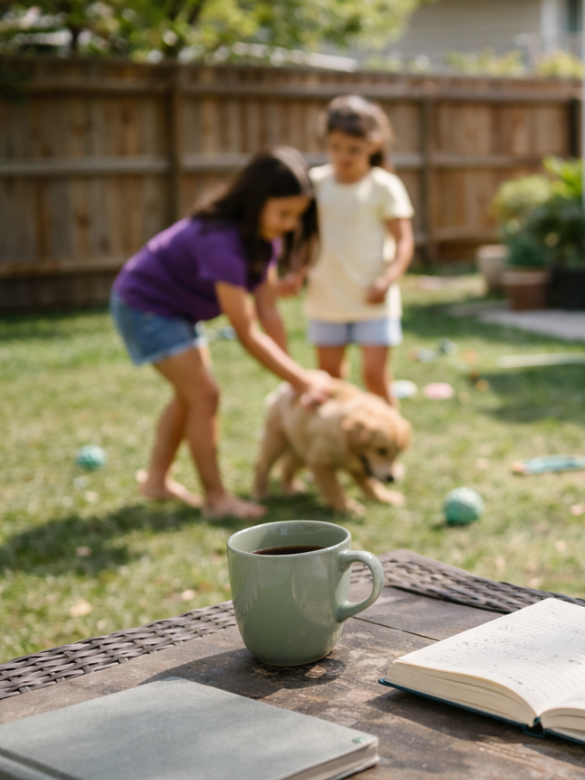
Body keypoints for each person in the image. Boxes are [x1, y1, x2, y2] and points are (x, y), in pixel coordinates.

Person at [110, 147, 334, 521]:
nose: (291, 224)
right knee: (204, 396)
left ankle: (156, 482)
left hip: (175, 309)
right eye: (284, 213)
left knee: (191, 396)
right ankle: (216, 499)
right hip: (145, 305)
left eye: (298, 216)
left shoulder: (265, 237)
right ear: (255, 201)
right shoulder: (222, 242)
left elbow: (268, 310)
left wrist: (292, 379)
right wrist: (300, 381)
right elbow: (246, 331)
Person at [302, 94, 415, 406]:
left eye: (353, 149)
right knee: (330, 379)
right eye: (336, 147)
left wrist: (388, 280)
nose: (343, 156)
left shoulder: (384, 186)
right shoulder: (315, 183)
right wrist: (295, 273)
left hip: (373, 299)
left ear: (373, 144)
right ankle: (338, 447)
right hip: (327, 298)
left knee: (375, 376)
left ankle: (390, 443)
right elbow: (303, 238)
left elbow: (404, 241)